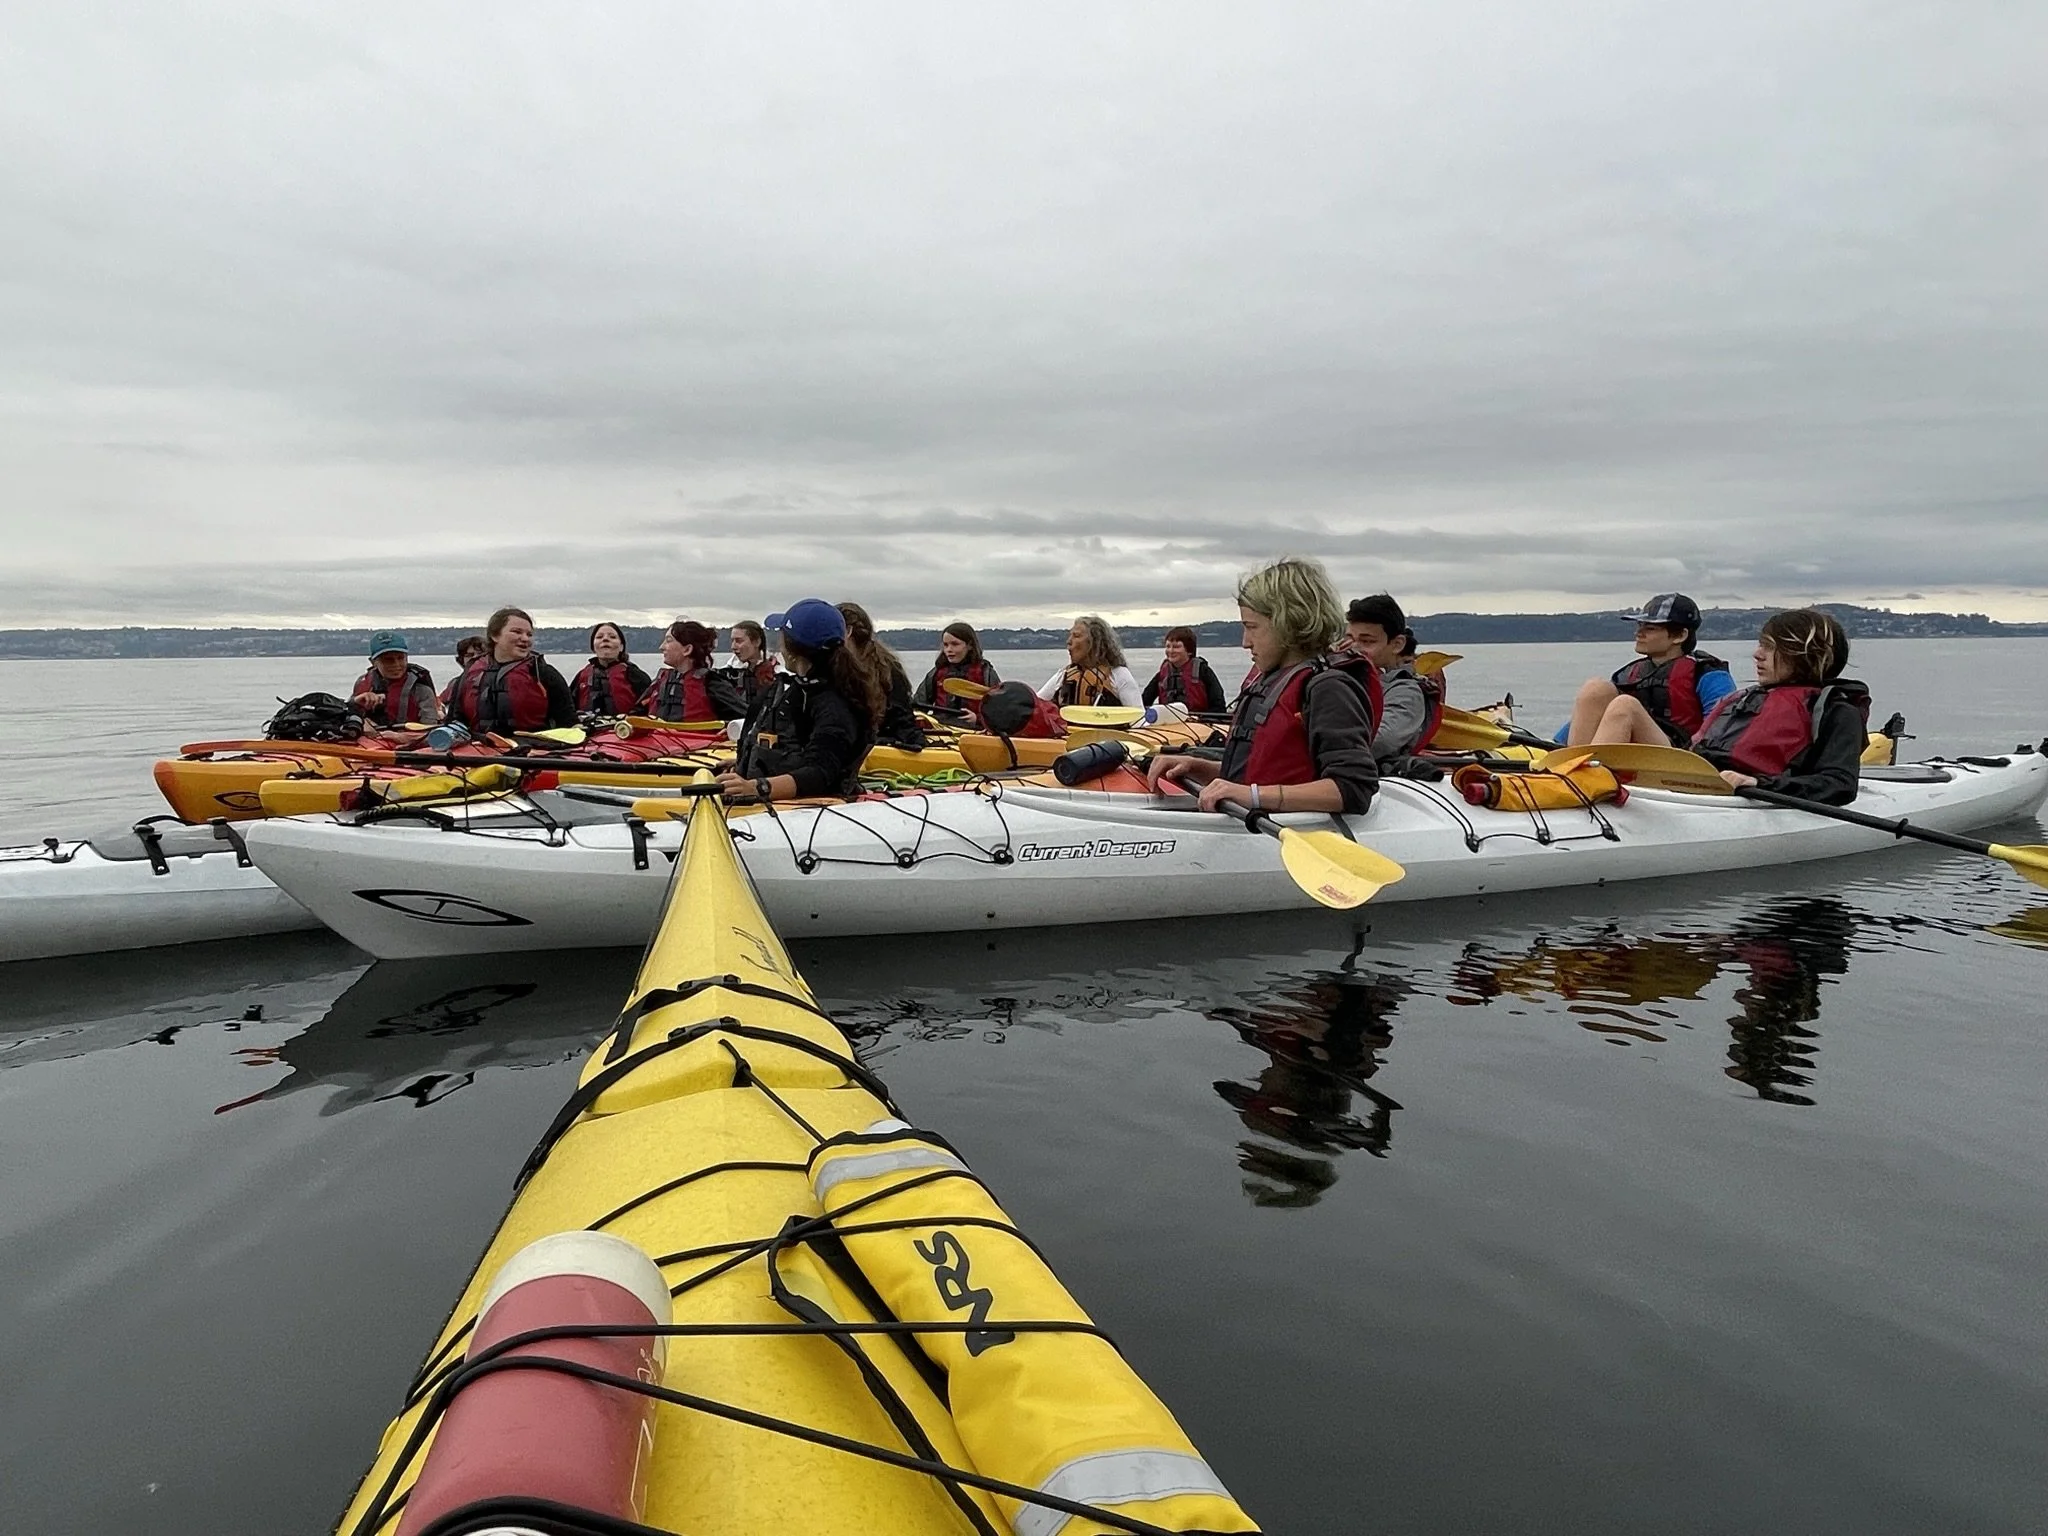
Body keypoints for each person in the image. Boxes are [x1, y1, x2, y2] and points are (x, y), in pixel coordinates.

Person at [1146, 557, 1381, 816]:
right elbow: (1257, 773)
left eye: (1252, 627)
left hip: (1290, 836)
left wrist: (1252, 796)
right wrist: (1197, 766)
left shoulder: (1328, 688)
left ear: (1288, 623)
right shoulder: (1275, 680)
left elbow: (1354, 789)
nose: (1245, 642)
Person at [717, 598, 887, 803]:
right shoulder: (795, 690)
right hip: (775, 800)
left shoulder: (835, 704)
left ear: (793, 648)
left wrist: (755, 787)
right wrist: (743, 765)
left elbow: (820, 772)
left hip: (815, 808)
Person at [1689, 609, 1868, 804]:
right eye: (1761, 645)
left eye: (1770, 647)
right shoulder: (1741, 700)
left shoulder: (1837, 711)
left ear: (1807, 655)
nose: (1757, 654)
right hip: (1704, 792)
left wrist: (1757, 783)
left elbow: (1839, 785)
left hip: (1758, 798)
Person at [1567, 593, 1734, 747]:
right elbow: (1589, 718)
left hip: (1684, 757)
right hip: (1635, 755)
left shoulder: (1708, 674)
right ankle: (1570, 766)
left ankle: (1589, 774)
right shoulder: (1630, 674)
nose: (1639, 633)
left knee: (1625, 705)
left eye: (1651, 628)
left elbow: (1724, 730)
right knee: (1596, 689)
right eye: (1640, 625)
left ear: (1680, 636)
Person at [1340, 595, 1441, 762]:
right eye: (1349, 639)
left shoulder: (1406, 692)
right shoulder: (1341, 677)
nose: (1354, 648)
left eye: (1367, 641)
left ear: (1397, 644)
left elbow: (1380, 741)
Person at [446, 607, 577, 734]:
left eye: (529, 634)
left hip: (532, 749)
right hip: (481, 749)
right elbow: (454, 720)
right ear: (494, 636)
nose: (525, 638)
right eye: (517, 632)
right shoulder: (470, 673)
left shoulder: (544, 673)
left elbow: (568, 724)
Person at [837, 602, 926, 748]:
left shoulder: (888, 669)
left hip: (880, 743)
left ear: (848, 631)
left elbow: (901, 719)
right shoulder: (833, 665)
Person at [639, 620, 747, 723]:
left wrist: (730, 727)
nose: (661, 647)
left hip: (698, 741)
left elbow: (746, 717)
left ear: (687, 650)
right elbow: (636, 712)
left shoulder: (712, 683)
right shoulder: (660, 682)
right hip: (658, 739)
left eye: (668, 641)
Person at [1039, 616, 1143, 708]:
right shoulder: (1063, 676)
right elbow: (1035, 704)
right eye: (1070, 636)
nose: (1069, 641)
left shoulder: (1118, 675)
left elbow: (1138, 718)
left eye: (1076, 636)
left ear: (1095, 642)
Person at [349, 630, 440, 728]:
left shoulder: (421, 690)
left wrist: (400, 737)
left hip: (407, 740)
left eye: (400, 658)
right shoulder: (362, 683)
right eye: (388, 660)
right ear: (373, 662)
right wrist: (355, 702)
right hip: (368, 740)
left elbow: (430, 730)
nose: (396, 665)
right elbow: (345, 713)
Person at [914, 622, 1001, 712]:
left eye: (955, 644)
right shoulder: (937, 673)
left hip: (973, 725)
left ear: (970, 645)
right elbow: (918, 705)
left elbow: (999, 709)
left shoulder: (985, 673)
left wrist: (977, 719)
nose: (949, 650)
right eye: (946, 645)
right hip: (941, 724)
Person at [569, 621, 651, 717]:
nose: (605, 639)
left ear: (621, 647)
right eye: (599, 637)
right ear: (593, 647)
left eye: (612, 637)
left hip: (624, 728)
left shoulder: (636, 676)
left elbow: (649, 705)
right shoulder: (581, 676)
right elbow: (568, 706)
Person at [1142, 626, 1226, 713]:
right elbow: (1144, 701)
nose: (1171, 651)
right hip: (1169, 722)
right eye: (1168, 646)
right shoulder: (1162, 674)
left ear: (1189, 650)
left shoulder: (1203, 671)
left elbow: (1218, 705)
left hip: (1200, 721)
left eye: (1176, 647)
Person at [721, 620, 781, 711]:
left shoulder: (778, 673)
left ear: (757, 642)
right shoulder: (726, 674)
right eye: (732, 641)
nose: (733, 646)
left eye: (738, 641)